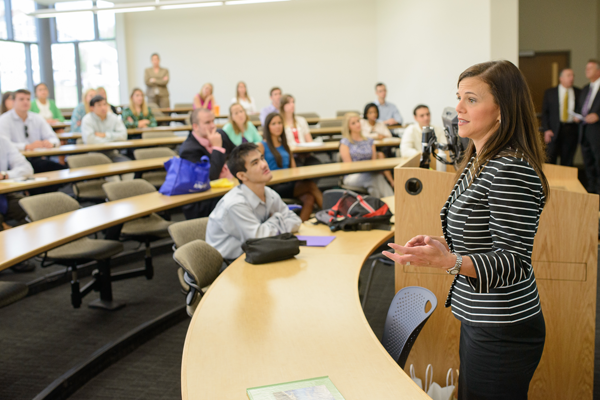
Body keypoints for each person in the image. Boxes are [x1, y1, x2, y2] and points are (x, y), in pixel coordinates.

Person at [384, 60, 549, 399]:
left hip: (503, 328)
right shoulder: (480, 159)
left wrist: (449, 262)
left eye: (471, 99)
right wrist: (440, 244)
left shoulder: (509, 169)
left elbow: (514, 261)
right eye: (458, 97)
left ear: (502, 109)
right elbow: (484, 234)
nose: (457, 108)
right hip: (481, 318)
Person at [206, 142, 302, 267]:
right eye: (255, 163)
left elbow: (295, 221)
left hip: (259, 254)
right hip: (227, 265)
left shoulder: (269, 193)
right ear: (242, 175)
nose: (264, 164)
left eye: (262, 158)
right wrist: (277, 218)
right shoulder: (235, 204)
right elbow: (259, 239)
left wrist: (268, 229)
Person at [258, 112, 323, 221]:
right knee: (310, 186)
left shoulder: (285, 145)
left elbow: (293, 169)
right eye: (273, 123)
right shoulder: (261, 146)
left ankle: (300, 228)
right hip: (274, 186)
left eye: (279, 123)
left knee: (309, 198)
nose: (278, 126)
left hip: (288, 183)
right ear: (267, 127)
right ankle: (331, 216)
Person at [179, 108, 235, 219]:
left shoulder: (220, 134)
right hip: (204, 201)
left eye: (213, 121)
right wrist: (217, 148)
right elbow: (211, 177)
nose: (213, 126)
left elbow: (238, 154)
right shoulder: (189, 150)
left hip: (225, 190)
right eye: (207, 123)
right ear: (195, 126)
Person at [0, 89, 65, 177]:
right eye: (21, 99)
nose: (25, 102)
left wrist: (51, 143)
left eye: (28, 99)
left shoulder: (37, 118)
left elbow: (54, 138)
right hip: (14, 162)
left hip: (36, 158)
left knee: (60, 170)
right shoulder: (4, 120)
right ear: (13, 102)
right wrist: (26, 146)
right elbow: (4, 145)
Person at [0, 135, 36, 272]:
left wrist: (5, 175)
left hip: (3, 194)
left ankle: (15, 250)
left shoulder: (2, 141)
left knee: (31, 208)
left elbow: (26, 168)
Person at [339, 113, 393, 197]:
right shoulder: (345, 143)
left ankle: (382, 207)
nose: (357, 124)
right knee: (374, 178)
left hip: (370, 174)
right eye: (353, 123)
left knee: (376, 183)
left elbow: (373, 162)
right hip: (352, 176)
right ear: (348, 127)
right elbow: (348, 167)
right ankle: (391, 204)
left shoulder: (369, 141)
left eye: (358, 121)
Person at [541, 68, 581, 166]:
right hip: (554, 130)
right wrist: (546, 130)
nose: (572, 78)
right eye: (568, 75)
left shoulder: (579, 92)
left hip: (571, 130)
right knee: (550, 158)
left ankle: (566, 181)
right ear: (561, 78)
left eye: (573, 76)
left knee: (567, 160)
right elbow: (545, 113)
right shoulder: (550, 93)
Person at [81, 95, 130, 162]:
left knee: (128, 164)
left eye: (104, 104)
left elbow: (123, 136)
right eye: (99, 105)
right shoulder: (87, 119)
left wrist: (105, 135)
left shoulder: (113, 117)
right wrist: (112, 140)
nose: (103, 107)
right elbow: (89, 140)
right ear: (92, 108)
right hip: (95, 155)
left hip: (112, 154)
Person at [577, 59, 600, 194]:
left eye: (590, 68)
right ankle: (591, 192)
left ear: (598, 71)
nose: (587, 70)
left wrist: (598, 115)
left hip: (597, 131)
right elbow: (582, 108)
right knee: (588, 164)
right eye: (586, 68)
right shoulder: (585, 89)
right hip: (584, 131)